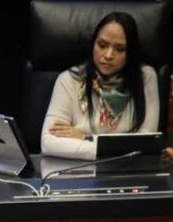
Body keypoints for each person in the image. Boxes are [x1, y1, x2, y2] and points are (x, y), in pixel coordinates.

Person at [40, 11, 160, 160]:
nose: (109, 55)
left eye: (120, 49)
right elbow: (48, 142)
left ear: (131, 52)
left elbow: (146, 141)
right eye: (102, 45)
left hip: (126, 170)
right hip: (78, 171)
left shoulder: (145, 77)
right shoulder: (70, 80)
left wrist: (86, 138)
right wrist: (114, 148)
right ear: (93, 44)